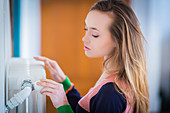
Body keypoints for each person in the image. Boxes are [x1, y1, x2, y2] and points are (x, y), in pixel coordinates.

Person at [34, 0, 149, 112]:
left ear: (119, 40)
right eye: (86, 29)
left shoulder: (110, 92)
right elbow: (85, 109)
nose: (84, 38)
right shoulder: (115, 79)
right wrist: (63, 81)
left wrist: (62, 105)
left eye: (95, 35)